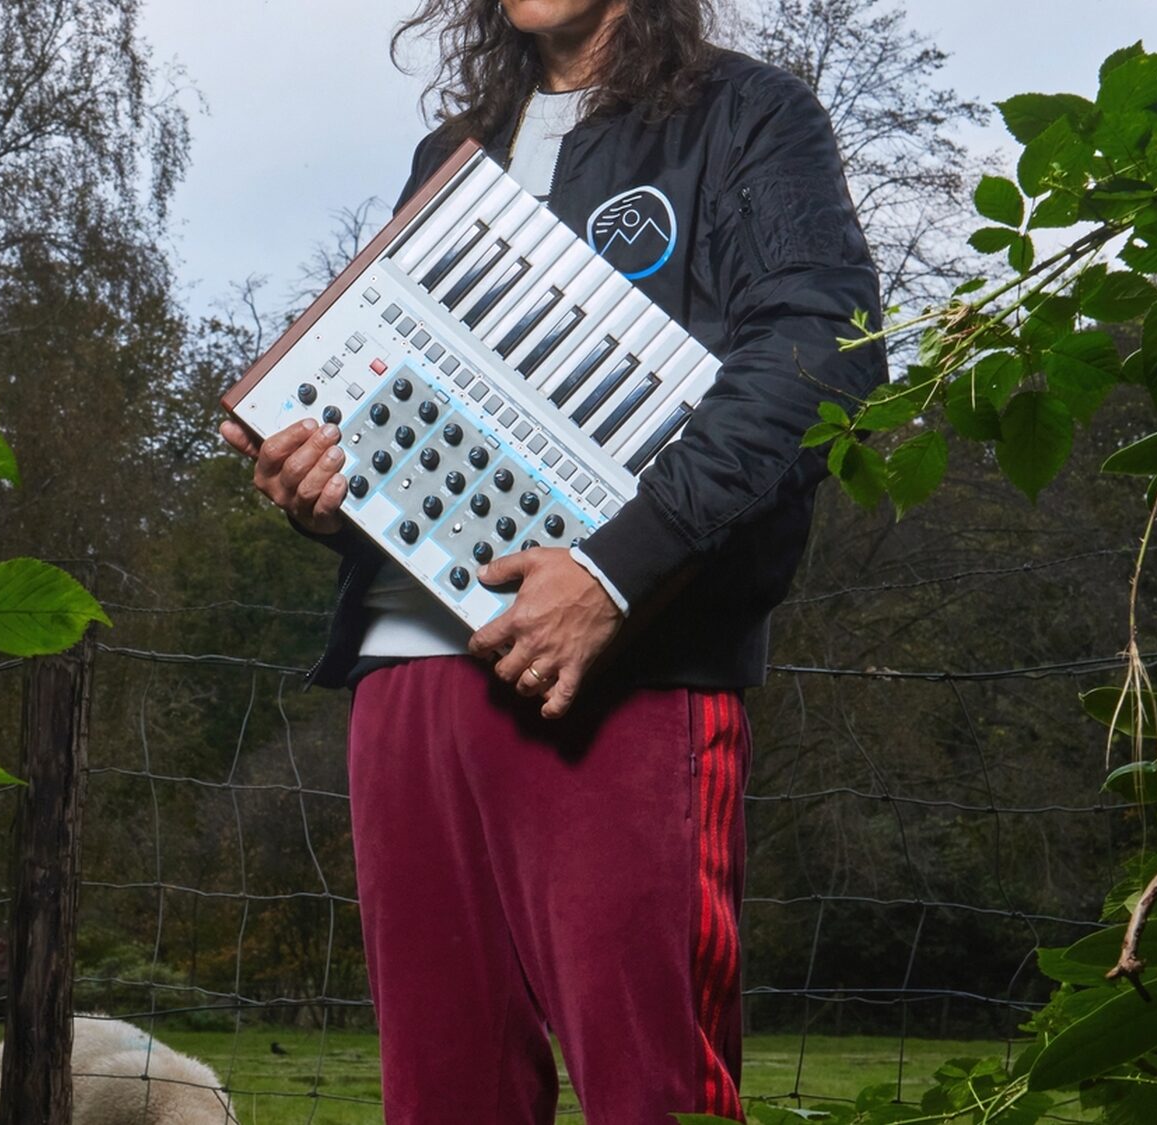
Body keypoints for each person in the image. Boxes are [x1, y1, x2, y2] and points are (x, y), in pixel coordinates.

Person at [217, 1, 884, 1120]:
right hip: (403, 674)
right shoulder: (453, 151)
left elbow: (819, 354)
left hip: (620, 667)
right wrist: (321, 492)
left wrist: (618, 568)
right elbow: (398, 405)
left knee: (650, 1094)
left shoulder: (747, 114)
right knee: (442, 1097)